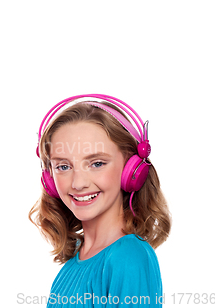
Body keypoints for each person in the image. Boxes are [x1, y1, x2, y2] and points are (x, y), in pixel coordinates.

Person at [29, 94, 171, 307]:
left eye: (96, 163)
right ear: (49, 178)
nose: (78, 183)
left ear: (131, 170)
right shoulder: (71, 266)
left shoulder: (128, 257)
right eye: (63, 167)